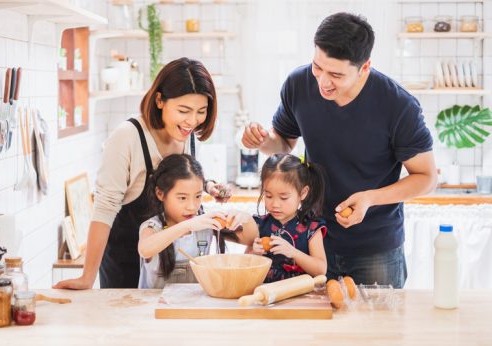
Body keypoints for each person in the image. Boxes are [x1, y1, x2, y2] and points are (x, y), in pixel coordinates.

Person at [241, 13, 437, 288]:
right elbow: (284, 144)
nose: (323, 82)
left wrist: (370, 198)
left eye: (336, 74)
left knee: (379, 327)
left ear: (364, 67)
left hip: (375, 247)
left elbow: (426, 177)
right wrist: (262, 142)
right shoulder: (298, 84)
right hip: (312, 240)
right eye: (317, 67)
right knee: (314, 327)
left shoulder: (398, 106)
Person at [54, 58, 230, 289]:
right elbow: (104, 208)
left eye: (201, 111)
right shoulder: (127, 137)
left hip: (171, 269)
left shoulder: (187, 135)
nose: (192, 121)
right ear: (159, 100)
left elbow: (179, 177)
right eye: (183, 110)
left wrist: (207, 186)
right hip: (127, 267)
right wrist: (87, 278)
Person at [138, 154, 257, 288]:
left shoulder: (203, 225)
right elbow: (144, 249)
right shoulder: (152, 227)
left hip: (193, 306)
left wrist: (246, 219)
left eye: (198, 196)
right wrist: (188, 226)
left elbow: (251, 240)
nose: (192, 206)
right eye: (182, 198)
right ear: (160, 194)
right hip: (155, 307)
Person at [250, 154, 327, 283]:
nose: (275, 204)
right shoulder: (260, 224)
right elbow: (246, 262)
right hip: (266, 293)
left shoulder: (311, 227)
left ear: (303, 193)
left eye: (284, 198)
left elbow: (321, 269)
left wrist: (293, 252)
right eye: (268, 196)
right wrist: (254, 253)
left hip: (301, 294)